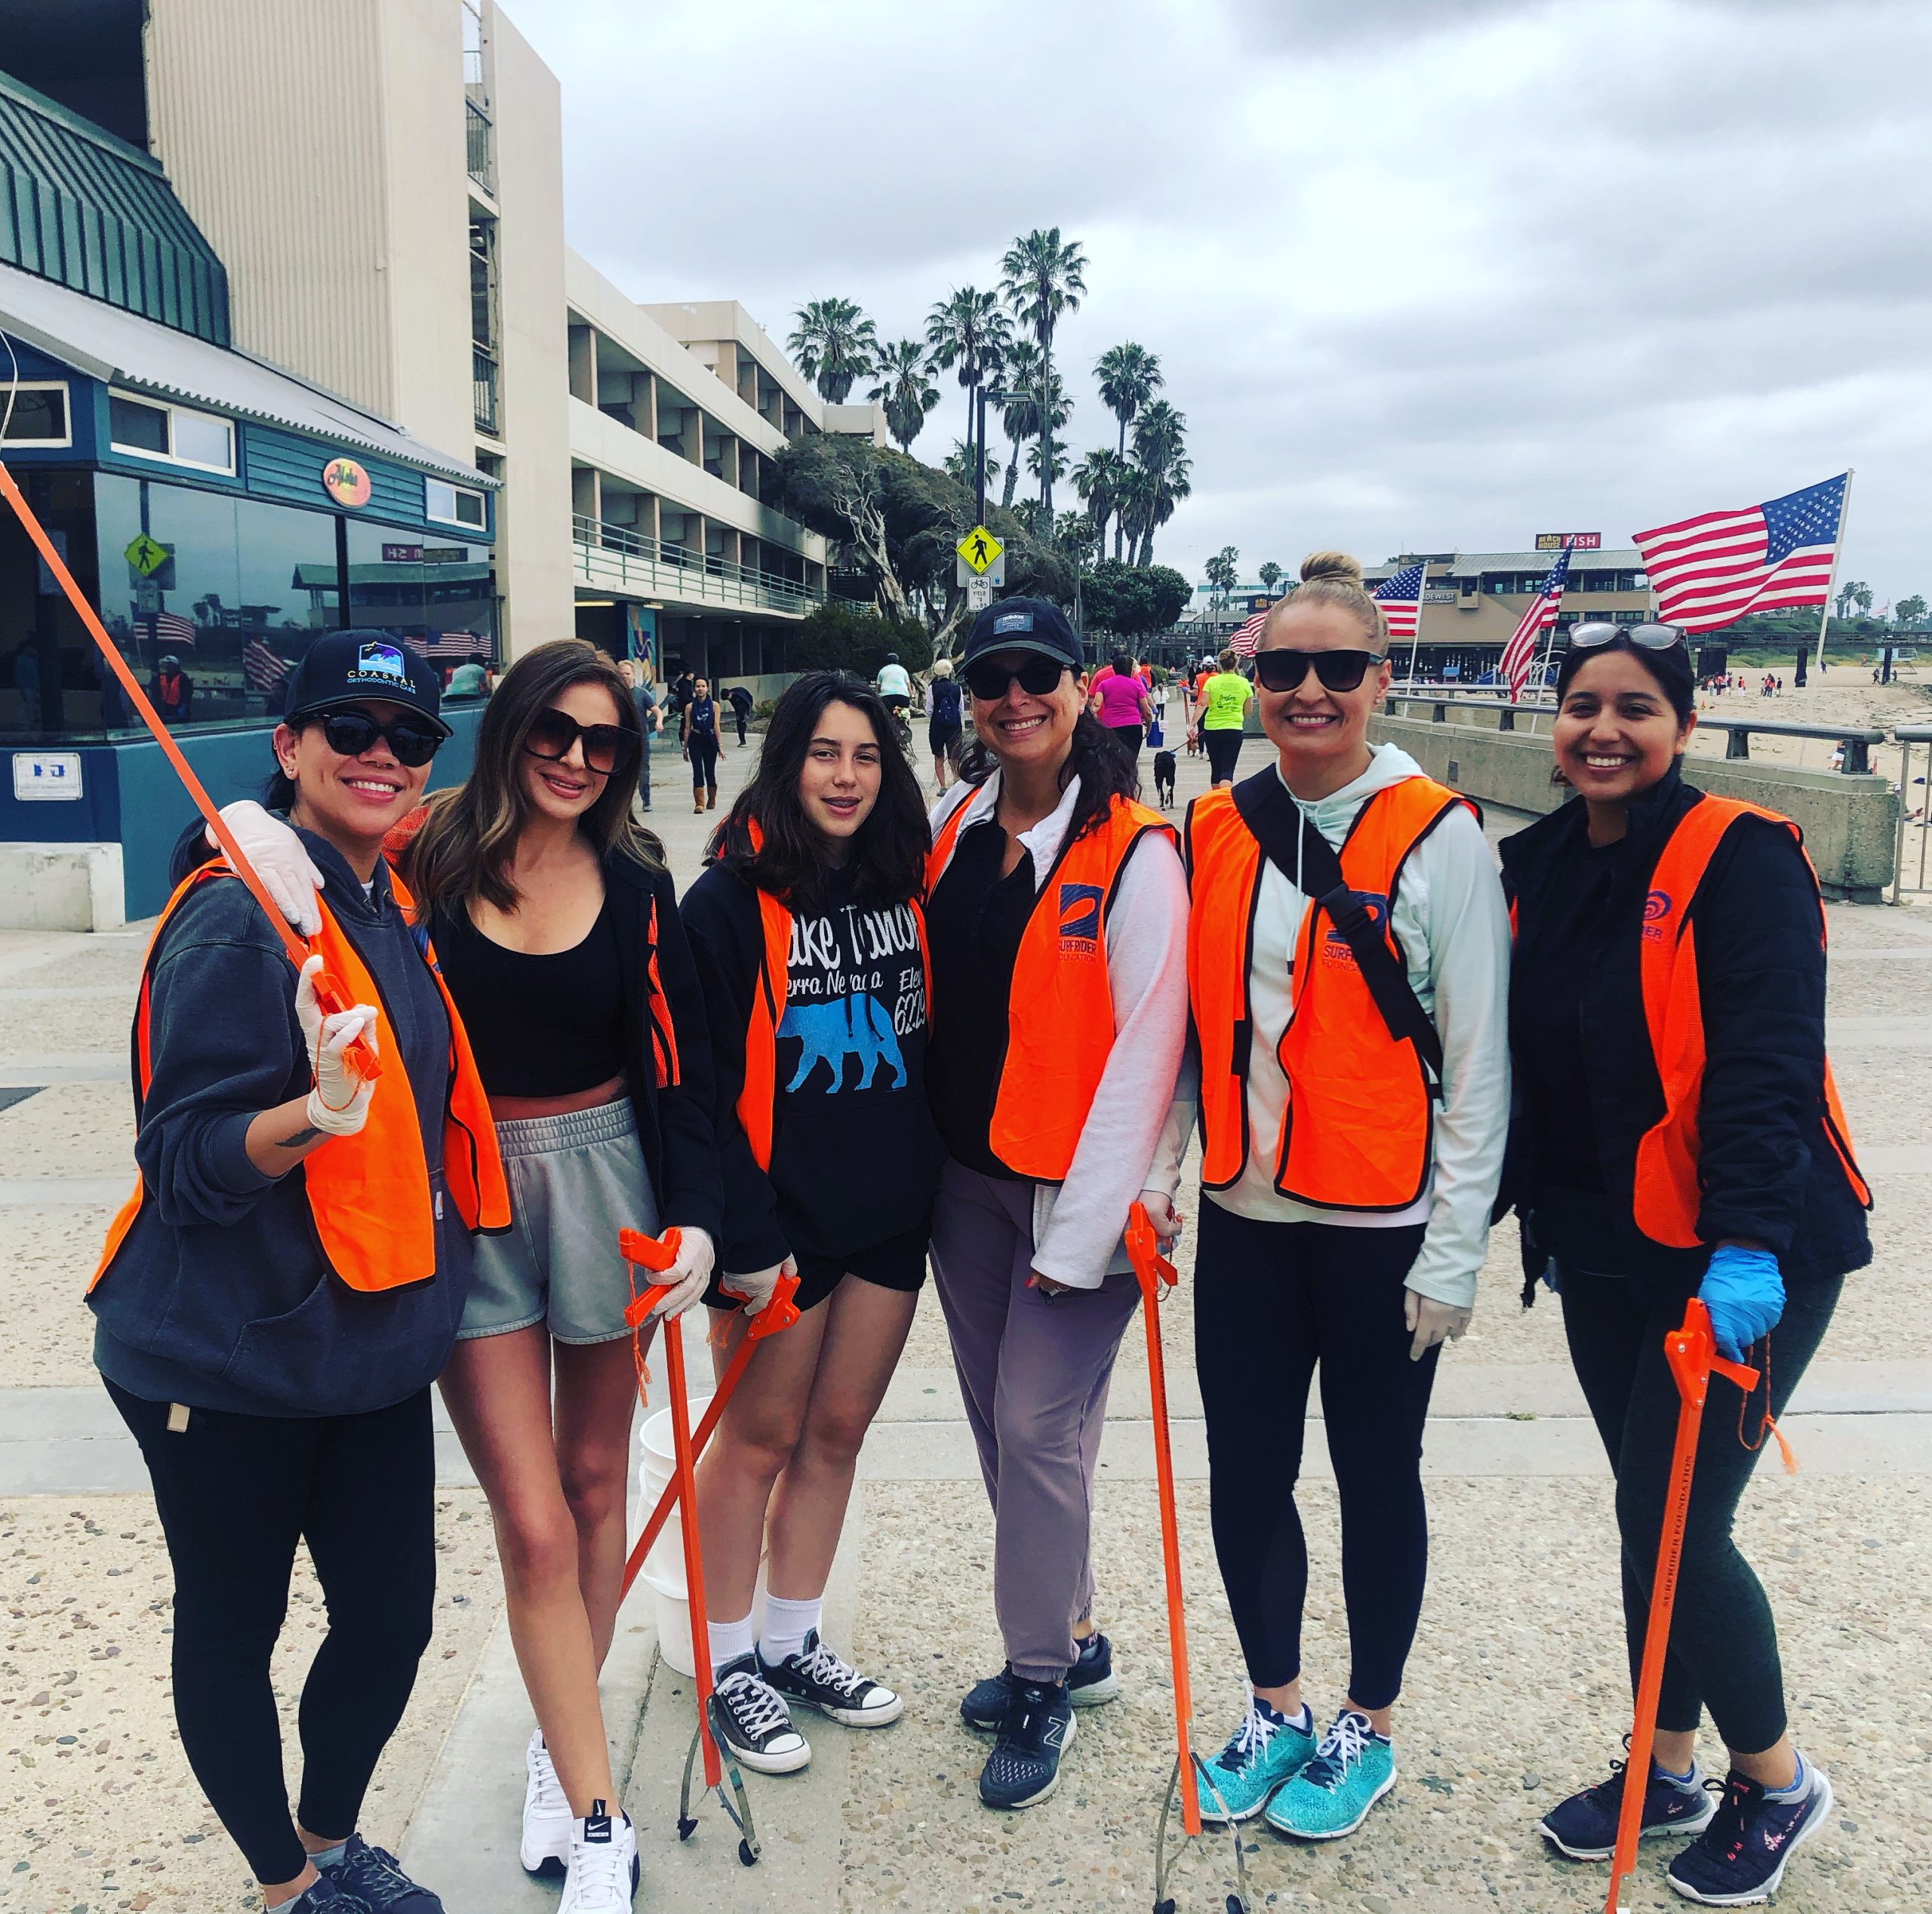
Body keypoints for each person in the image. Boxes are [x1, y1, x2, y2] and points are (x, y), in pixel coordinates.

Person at [216, 637, 723, 1913]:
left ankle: (569, 1760)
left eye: (603, 741)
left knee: (601, 1481)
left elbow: (682, 1064)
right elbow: (265, 873)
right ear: (510, 732)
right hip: (471, 1190)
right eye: (553, 730)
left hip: (608, 1182)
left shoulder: (639, 874)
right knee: (537, 1516)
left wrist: (708, 1224)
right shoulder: (427, 851)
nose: (575, 758)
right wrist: (253, 833)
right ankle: (600, 1813)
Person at [88, 629, 506, 1913]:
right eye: (348, 730)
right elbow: (187, 1164)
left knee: (389, 1618)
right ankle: (285, 1888)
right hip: (218, 1352)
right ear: (289, 747)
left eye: (408, 737)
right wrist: (306, 1117)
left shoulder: (380, 897)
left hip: (369, 1338)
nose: (380, 755)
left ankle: (330, 1842)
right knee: (232, 1620)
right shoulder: (239, 916)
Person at [1503, 623, 1869, 1906]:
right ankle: (1665, 1765)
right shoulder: (1534, 866)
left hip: (1744, 1254)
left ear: (1684, 724)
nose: (1605, 729)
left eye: (1636, 708)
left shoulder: (1741, 860)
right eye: (1583, 706)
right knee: (1640, 1508)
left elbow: (1770, 1065)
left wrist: (1752, 1245)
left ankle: (1776, 1779)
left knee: (1680, 1521)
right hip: (1607, 1251)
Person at [1159, 551, 1510, 1843]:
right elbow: (1191, 1038)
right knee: (1246, 1471)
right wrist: (1160, 1188)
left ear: (1378, 679)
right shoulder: (1215, 828)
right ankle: (1276, 1703)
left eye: (1337, 670)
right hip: (1248, 1221)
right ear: (1248, 683)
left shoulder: (1443, 836)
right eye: (1282, 669)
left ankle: (1366, 1717)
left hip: (1384, 1234)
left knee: (1377, 1473)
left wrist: (1455, 1256)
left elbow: (1480, 1067)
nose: (1309, 691)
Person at [923, 598, 1189, 1812]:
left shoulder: (1137, 854)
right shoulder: (953, 829)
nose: (1015, 696)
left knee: (1038, 1426)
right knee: (999, 1421)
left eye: (1039, 675)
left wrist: (1088, 1236)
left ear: (1082, 689)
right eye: (993, 679)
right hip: (967, 1187)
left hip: (1078, 1198)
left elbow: (1154, 1055)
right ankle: (1069, 1634)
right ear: (970, 700)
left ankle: (1039, 1677)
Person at [679, 672, 945, 1774]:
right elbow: (691, 1089)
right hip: (775, 1225)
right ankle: (727, 1664)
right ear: (786, 762)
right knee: (756, 1443)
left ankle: (793, 1643)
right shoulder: (728, 901)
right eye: (824, 754)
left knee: (836, 1437)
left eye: (867, 756)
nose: (846, 776)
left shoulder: (907, 880)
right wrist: (740, 1235)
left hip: (887, 1213)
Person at [1196, 647, 1254, 787]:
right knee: (1228, 769)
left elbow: (1202, 704)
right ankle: (1225, 800)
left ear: (1220, 664)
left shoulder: (1212, 682)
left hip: (1212, 729)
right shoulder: (1244, 683)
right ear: (1236, 663)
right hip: (1233, 728)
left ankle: (1216, 799)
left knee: (1216, 769)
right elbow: (1249, 710)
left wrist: (1192, 725)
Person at [1090, 649, 1154, 762]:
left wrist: (1090, 721)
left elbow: (1096, 705)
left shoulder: (1104, 685)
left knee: (1113, 762)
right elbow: (1147, 712)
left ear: (1114, 668)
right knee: (1130, 762)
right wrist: (1148, 728)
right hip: (1133, 727)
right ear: (1131, 669)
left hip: (1111, 728)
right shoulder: (1137, 686)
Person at [617, 655, 660, 812]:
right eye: (622, 673)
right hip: (621, 741)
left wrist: (659, 721)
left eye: (628, 674)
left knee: (643, 772)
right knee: (621, 773)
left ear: (633, 675)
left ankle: (646, 800)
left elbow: (656, 710)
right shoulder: (615, 694)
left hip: (640, 740)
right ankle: (622, 804)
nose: (625, 676)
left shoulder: (641, 694)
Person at [682, 674, 721, 813]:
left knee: (710, 772)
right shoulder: (690, 707)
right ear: (694, 689)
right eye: (698, 686)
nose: (701, 689)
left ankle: (712, 798)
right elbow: (687, 727)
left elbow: (716, 726)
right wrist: (685, 748)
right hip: (696, 740)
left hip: (710, 740)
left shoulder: (715, 706)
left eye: (703, 686)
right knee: (697, 771)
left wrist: (719, 746)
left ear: (707, 688)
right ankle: (699, 804)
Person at [926, 654, 964, 789]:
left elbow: (929, 709)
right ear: (949, 671)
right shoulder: (957, 688)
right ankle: (956, 779)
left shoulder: (932, 688)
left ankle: (943, 786)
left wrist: (936, 719)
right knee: (954, 755)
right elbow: (960, 709)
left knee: (938, 756)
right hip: (954, 726)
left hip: (937, 726)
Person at [149, 652, 193, 723]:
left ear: (175, 666)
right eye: (166, 664)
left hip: (177, 710)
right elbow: (153, 691)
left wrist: (183, 709)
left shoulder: (183, 678)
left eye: (169, 665)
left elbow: (187, 696)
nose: (167, 667)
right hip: (163, 709)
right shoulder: (161, 677)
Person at [875, 650, 912, 718]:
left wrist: (878, 695)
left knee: (886, 716)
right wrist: (911, 694)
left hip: (887, 698)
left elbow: (878, 687)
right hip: (902, 696)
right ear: (897, 661)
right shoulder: (903, 670)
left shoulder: (882, 671)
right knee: (904, 715)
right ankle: (904, 725)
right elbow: (908, 685)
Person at [725, 680, 755, 746]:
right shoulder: (730, 697)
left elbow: (749, 702)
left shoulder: (740, 694)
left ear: (730, 694)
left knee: (741, 722)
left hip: (745, 704)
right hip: (739, 708)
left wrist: (748, 714)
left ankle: (743, 741)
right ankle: (742, 741)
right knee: (739, 723)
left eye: (728, 698)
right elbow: (734, 706)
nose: (729, 700)